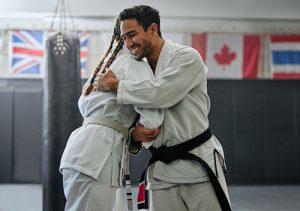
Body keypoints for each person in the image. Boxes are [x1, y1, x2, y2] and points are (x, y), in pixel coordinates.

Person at [97, 5, 231, 211]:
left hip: (197, 165)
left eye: (132, 34)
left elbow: (159, 95)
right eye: (124, 38)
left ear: (153, 29)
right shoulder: (134, 67)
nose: (129, 43)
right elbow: (127, 114)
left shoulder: (186, 57)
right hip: (161, 173)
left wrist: (116, 86)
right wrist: (134, 135)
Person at [59, 18, 163, 211]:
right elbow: (153, 116)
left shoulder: (105, 66)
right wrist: (140, 131)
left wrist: (129, 132)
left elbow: (86, 106)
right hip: (98, 157)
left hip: (80, 152)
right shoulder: (135, 65)